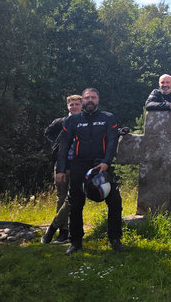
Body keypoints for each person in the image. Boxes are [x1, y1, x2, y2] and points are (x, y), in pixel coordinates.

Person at [56, 88, 123, 255]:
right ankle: (75, 241)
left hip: (101, 165)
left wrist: (107, 162)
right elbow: (63, 146)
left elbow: (112, 141)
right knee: (75, 204)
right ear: (83, 101)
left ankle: (115, 238)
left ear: (98, 99)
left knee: (114, 201)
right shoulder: (72, 121)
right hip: (78, 165)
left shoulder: (108, 118)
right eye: (87, 98)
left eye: (93, 97)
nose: (90, 100)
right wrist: (61, 169)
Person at [41, 94, 83, 244]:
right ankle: (63, 232)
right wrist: (56, 145)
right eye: (71, 105)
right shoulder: (60, 122)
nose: (74, 107)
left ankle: (55, 226)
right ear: (67, 106)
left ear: (81, 105)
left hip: (79, 165)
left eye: (77, 104)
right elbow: (48, 131)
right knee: (61, 197)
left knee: (72, 199)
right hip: (62, 165)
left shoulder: (85, 121)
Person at [144, 74, 171, 201]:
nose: (164, 85)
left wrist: (163, 105)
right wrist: (168, 105)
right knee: (153, 171)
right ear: (159, 83)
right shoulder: (155, 92)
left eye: (167, 82)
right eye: (162, 82)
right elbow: (148, 105)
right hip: (154, 138)